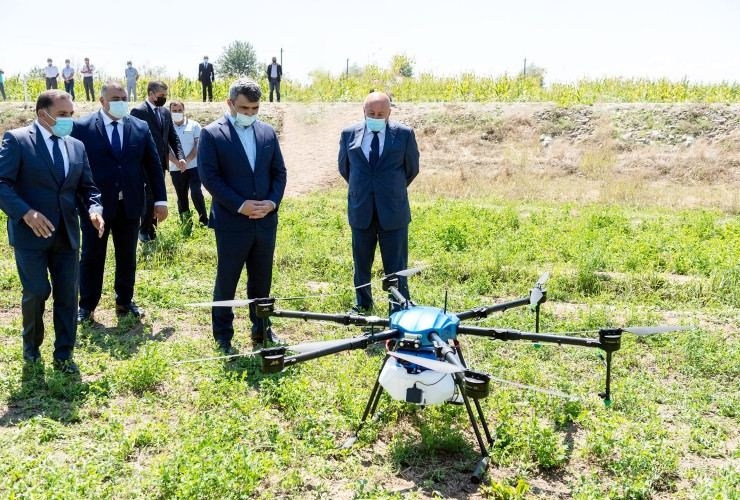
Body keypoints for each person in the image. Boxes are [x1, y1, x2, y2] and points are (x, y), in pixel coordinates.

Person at [0, 90, 104, 373]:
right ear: (42, 113)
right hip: (30, 234)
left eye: (71, 114)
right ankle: (31, 350)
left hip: (67, 234)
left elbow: (88, 188)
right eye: (62, 115)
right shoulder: (18, 140)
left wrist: (95, 209)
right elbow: (2, 184)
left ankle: (64, 354)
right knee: (36, 291)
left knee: (68, 295)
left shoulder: (76, 146)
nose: (68, 120)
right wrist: (26, 212)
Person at [198, 77, 287, 353]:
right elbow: (210, 177)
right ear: (230, 104)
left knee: (262, 279)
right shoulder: (212, 134)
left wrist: (271, 202)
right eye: (244, 108)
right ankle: (223, 336)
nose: (249, 114)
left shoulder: (267, 133)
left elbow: (279, 173)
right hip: (232, 221)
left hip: (264, 220)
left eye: (254, 109)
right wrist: (240, 205)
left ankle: (262, 329)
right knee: (227, 279)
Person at [71, 81, 168, 322]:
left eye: (124, 97)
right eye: (115, 98)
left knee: (127, 255)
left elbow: (153, 166)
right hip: (95, 207)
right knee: (92, 256)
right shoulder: (82, 127)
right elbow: (75, 168)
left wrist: (161, 200)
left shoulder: (139, 126)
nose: (121, 102)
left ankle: (124, 300)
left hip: (130, 204)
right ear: (102, 101)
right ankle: (87, 305)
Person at [338, 91, 419, 313]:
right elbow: (345, 168)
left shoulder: (403, 134)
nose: (376, 116)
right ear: (363, 111)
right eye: (371, 113)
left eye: (380, 113)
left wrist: (390, 190)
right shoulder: (348, 134)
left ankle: (399, 306)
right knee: (361, 264)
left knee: (396, 265)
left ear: (389, 112)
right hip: (361, 209)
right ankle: (363, 304)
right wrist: (364, 189)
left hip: (393, 210)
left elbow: (412, 169)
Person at [130, 81, 185, 242]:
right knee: (148, 196)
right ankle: (143, 230)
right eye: (161, 95)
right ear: (151, 93)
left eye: (165, 96)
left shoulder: (165, 113)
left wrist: (180, 156)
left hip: (160, 163)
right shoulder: (138, 111)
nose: (164, 98)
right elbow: (133, 137)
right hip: (144, 163)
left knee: (157, 196)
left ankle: (152, 230)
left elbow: (172, 137)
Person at [167, 100, 208, 227]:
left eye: (179, 110)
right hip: (176, 168)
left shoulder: (194, 125)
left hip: (194, 166)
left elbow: (198, 145)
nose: (177, 113)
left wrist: (187, 160)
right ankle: (186, 223)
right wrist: (177, 162)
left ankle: (204, 221)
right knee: (182, 196)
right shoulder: (167, 127)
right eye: (174, 111)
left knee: (196, 192)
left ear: (184, 110)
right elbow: (165, 149)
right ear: (170, 112)